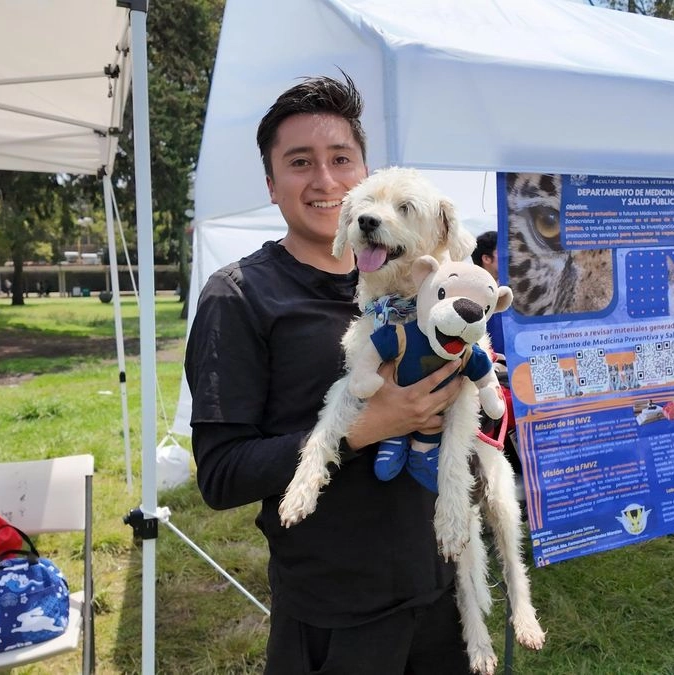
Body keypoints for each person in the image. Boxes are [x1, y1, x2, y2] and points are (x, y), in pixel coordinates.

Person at [184, 74, 472, 673]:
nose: (325, 180)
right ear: (271, 185)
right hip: (336, 614)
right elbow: (221, 475)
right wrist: (368, 426)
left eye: (341, 159)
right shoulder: (240, 297)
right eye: (299, 162)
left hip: (442, 590)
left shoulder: (424, 288)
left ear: (365, 174)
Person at [470, 231, 505, 359]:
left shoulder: (514, 292)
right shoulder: (470, 297)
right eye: (503, 251)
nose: (509, 256)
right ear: (486, 259)